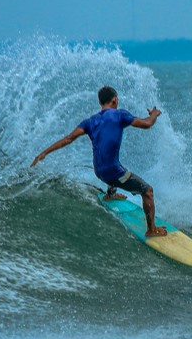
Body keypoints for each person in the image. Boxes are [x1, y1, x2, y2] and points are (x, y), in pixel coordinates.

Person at [30, 86, 168, 237]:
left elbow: (68, 139)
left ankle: (110, 194)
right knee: (147, 191)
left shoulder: (90, 121)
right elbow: (147, 124)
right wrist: (154, 114)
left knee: (114, 166)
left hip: (99, 172)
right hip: (113, 173)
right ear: (115, 100)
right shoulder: (120, 115)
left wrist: (44, 153)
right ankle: (151, 229)